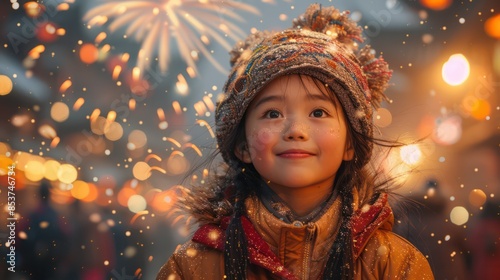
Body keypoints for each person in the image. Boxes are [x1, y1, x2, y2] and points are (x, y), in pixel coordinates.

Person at [157, 4, 434, 280]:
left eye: (318, 112)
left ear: (350, 144)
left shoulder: (395, 265)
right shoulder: (193, 268)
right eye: (272, 114)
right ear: (242, 146)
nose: (296, 131)